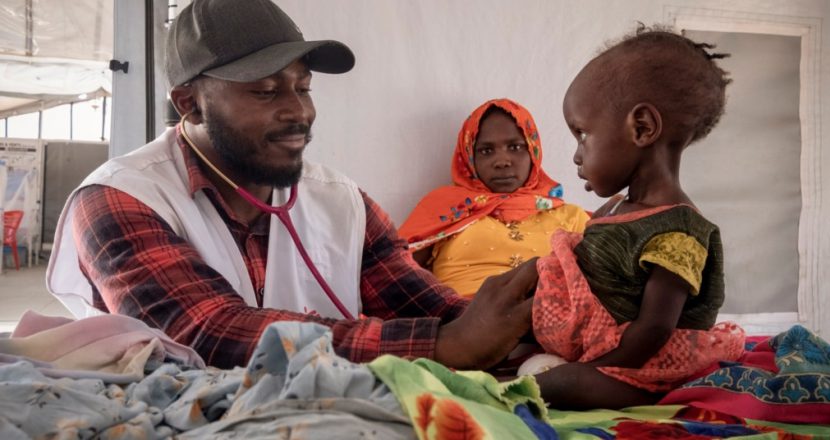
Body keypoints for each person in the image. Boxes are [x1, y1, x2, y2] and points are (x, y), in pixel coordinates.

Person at [46, 0, 537, 371]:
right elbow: (205, 334)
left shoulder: (342, 201)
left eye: (303, 87)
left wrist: (532, 330)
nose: (299, 112)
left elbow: (430, 305)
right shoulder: (120, 197)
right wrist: (441, 346)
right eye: (265, 91)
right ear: (189, 104)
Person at [527, 27, 745, 409]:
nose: (578, 155)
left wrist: (596, 367)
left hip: (643, 363)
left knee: (562, 383)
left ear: (642, 128)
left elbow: (654, 330)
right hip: (600, 343)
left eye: (583, 134)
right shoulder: (614, 208)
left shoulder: (679, 230)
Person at [399, 98, 589, 297]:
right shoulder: (444, 208)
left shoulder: (571, 217)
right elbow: (394, 276)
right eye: (486, 151)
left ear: (533, 151)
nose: (502, 161)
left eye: (515, 147)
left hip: (551, 320)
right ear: (469, 157)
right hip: (462, 322)